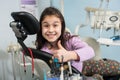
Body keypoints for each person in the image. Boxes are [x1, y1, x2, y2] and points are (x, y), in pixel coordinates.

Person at [35, 7, 120, 80]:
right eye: (46, 26)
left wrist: (70, 55)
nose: (50, 30)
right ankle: (98, 77)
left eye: (55, 25)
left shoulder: (69, 39)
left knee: (117, 67)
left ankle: (102, 66)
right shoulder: (42, 50)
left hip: (84, 65)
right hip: (72, 76)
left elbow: (90, 51)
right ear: (40, 27)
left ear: (62, 26)